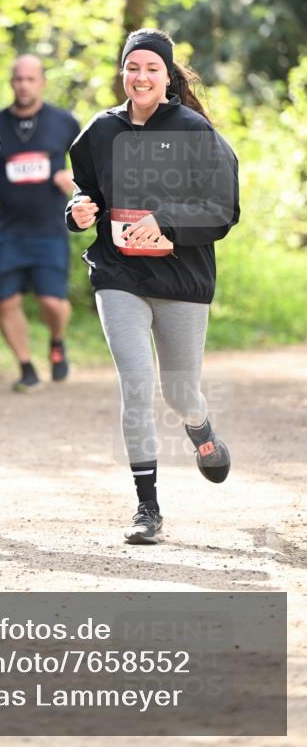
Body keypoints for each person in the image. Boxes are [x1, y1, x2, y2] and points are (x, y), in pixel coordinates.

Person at [67, 28, 239, 545]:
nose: (140, 77)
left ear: (167, 76)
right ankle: (147, 508)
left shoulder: (195, 131)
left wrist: (164, 220)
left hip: (181, 279)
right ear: (123, 72)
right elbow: (85, 192)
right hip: (119, 275)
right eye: (132, 67)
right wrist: (76, 214)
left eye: (151, 69)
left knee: (180, 393)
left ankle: (200, 428)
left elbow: (222, 210)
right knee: (136, 385)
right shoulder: (100, 131)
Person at [0, 55, 80, 391]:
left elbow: (90, 165)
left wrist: (74, 177)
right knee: (6, 302)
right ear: (11, 82)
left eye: (31, 79)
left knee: (51, 302)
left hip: (50, 229)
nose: (24, 85)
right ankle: (26, 366)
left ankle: (57, 342)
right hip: (9, 231)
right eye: (18, 79)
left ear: (42, 81)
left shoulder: (64, 122)